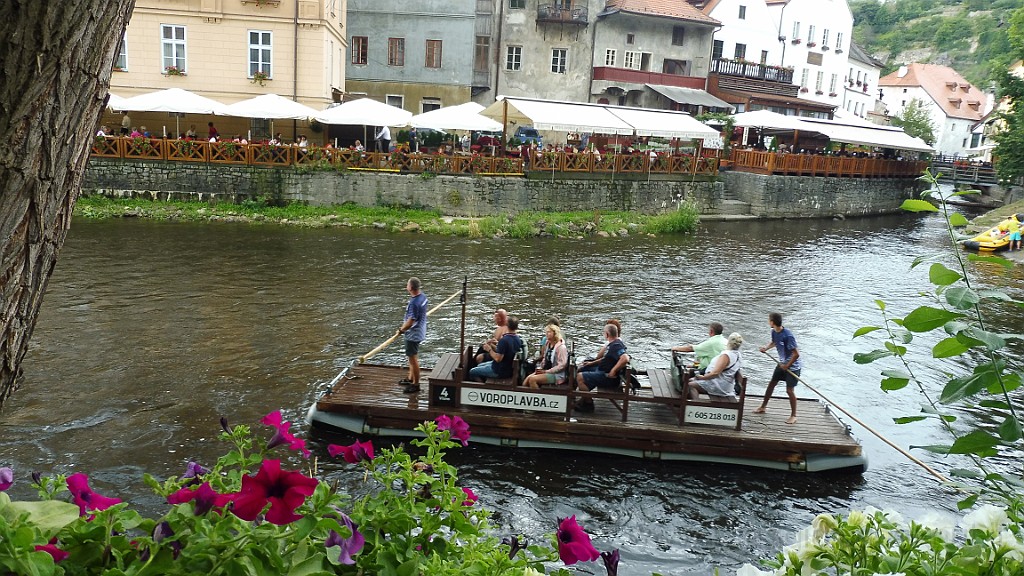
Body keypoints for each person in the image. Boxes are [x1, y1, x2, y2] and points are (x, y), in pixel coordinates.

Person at [754, 312, 802, 424]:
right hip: (782, 364)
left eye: (769, 320)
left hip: (793, 366)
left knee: (789, 390)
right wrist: (765, 348)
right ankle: (763, 407)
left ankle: (794, 415)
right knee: (772, 384)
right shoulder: (774, 332)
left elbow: (796, 354)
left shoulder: (788, 335)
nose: (768, 322)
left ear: (772, 322)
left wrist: (787, 366)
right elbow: (774, 342)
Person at [573, 323, 629, 412]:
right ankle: (576, 396)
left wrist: (613, 370)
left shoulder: (616, 345)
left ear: (607, 334)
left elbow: (625, 358)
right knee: (581, 368)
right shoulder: (612, 344)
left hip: (608, 377)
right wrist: (591, 363)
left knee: (580, 377)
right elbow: (605, 358)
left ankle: (588, 403)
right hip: (601, 370)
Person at [395, 277, 428, 394]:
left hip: (413, 334)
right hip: (421, 330)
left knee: (413, 359)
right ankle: (410, 378)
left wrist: (401, 330)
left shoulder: (414, 303)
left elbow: (411, 321)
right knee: (412, 356)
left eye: (407, 284)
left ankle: (416, 384)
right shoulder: (423, 297)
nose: (406, 286)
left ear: (411, 288)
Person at [688, 333, 743, 400]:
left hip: (719, 385)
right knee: (691, 380)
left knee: (690, 385)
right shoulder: (738, 355)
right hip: (727, 384)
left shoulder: (726, 355)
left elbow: (715, 373)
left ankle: (695, 405)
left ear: (729, 342)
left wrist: (703, 377)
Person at [469, 316, 523, 383]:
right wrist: (493, 345)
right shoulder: (517, 338)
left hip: (500, 370)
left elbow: (498, 359)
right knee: (479, 365)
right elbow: (505, 351)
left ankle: (482, 387)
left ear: (507, 325)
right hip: (508, 368)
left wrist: (489, 349)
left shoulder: (504, 340)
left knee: (472, 371)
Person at [522, 323, 568, 388]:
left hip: (556, 375)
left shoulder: (561, 347)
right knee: (525, 381)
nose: (546, 334)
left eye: (549, 332)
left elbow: (562, 365)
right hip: (545, 370)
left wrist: (547, 371)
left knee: (532, 380)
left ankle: (537, 396)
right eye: (546, 332)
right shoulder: (548, 343)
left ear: (555, 333)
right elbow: (545, 358)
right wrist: (541, 368)